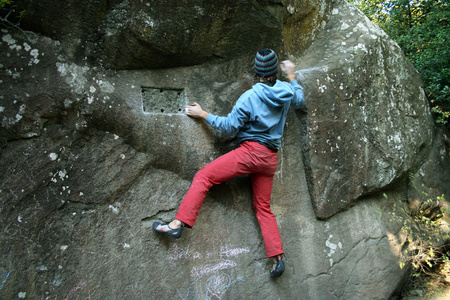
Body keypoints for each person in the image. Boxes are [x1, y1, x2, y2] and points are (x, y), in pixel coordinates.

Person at [153, 48, 305, 278]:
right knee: (263, 207)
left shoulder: (250, 97)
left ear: (256, 71)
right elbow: (301, 100)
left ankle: (177, 225)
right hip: (270, 158)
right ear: (275, 70)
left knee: (204, 177)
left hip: (251, 153)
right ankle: (277, 258)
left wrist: (202, 114)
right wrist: (292, 75)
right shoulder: (286, 91)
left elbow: (229, 126)